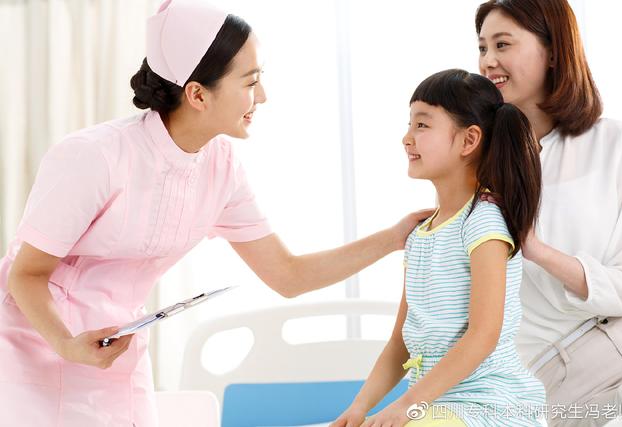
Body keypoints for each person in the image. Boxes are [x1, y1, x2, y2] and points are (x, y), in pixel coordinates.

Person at [0, 1, 431, 426]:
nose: (263, 96)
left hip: (114, 346)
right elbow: (26, 274)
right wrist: (66, 343)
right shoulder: (93, 156)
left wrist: (394, 237)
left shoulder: (221, 166)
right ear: (197, 94)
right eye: (251, 81)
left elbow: (288, 275)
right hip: (35, 345)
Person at [332, 69, 545, 427]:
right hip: (435, 404)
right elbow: (400, 341)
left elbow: (483, 336)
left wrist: (406, 405)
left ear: (468, 140)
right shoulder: (419, 235)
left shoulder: (483, 222)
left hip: (489, 406)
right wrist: (359, 407)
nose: (406, 138)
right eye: (410, 124)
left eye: (422, 125)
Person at [476, 0, 622, 425]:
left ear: (553, 52)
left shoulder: (617, 144)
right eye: (482, 47)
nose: (488, 60)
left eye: (502, 44)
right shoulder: (477, 160)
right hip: (540, 380)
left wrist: (536, 249)